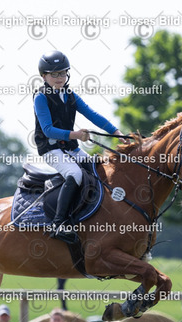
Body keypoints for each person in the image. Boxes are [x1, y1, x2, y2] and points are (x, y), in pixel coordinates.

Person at [33, 50, 124, 243]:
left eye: (63, 73)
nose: (59, 77)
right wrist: (75, 134)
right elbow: (48, 130)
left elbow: (92, 115)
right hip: (51, 150)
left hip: (70, 148)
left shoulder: (70, 95)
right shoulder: (40, 97)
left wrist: (116, 132)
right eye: (54, 74)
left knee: (98, 170)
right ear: (44, 76)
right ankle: (58, 223)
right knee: (74, 174)